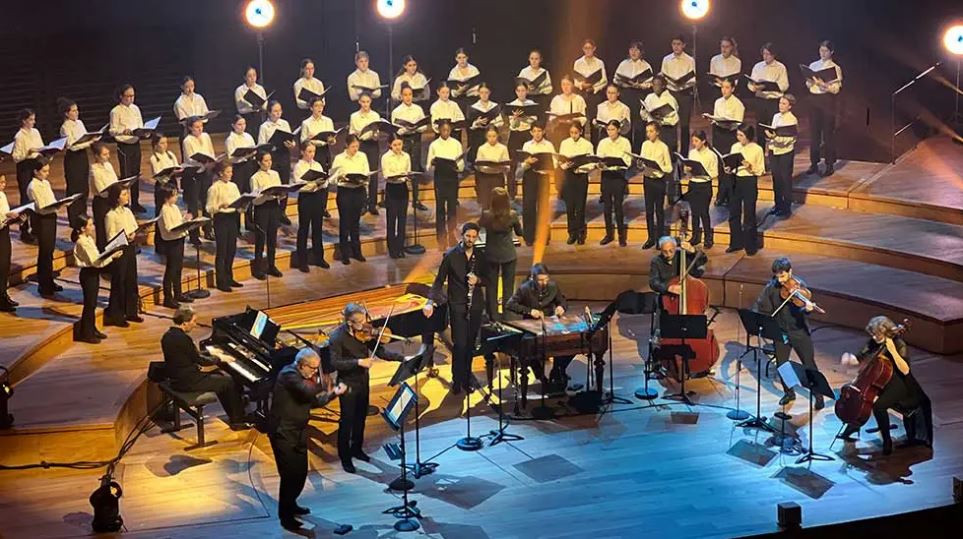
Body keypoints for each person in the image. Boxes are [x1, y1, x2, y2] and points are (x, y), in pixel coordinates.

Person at [268, 349, 346, 530]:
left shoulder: (303, 378)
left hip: (298, 431)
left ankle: (291, 504)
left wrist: (334, 392)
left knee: (301, 473)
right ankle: (285, 517)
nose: (314, 373)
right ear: (301, 364)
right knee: (289, 476)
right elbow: (306, 390)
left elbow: (315, 402)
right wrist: (323, 383)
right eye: (313, 369)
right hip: (283, 433)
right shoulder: (288, 374)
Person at [838, 316, 933, 455]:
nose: (874, 337)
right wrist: (849, 359)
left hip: (900, 382)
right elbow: (859, 357)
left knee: (878, 406)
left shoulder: (899, 343)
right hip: (879, 378)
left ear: (886, 332)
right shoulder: (874, 342)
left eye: (876, 334)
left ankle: (887, 441)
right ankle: (853, 426)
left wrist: (893, 351)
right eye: (872, 334)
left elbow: (905, 370)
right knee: (864, 398)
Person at [330, 303, 403, 473]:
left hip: (363, 381)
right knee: (346, 422)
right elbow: (335, 363)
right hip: (347, 384)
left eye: (364, 320)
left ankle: (357, 449)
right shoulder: (337, 337)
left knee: (361, 418)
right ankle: (345, 457)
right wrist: (358, 362)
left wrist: (401, 357)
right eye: (359, 322)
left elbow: (381, 352)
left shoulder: (364, 333)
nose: (364, 325)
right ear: (349, 322)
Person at [162, 305, 252, 429]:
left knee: (221, 375)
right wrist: (220, 358)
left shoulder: (168, 335)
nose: (195, 324)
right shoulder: (183, 339)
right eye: (193, 321)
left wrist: (212, 353)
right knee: (227, 381)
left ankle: (239, 405)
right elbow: (200, 361)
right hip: (188, 382)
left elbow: (190, 355)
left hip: (178, 378)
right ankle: (238, 420)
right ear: (184, 323)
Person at [424, 222, 487, 394]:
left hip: (475, 306)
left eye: (474, 237)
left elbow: (489, 279)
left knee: (470, 346)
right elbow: (438, 281)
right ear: (462, 235)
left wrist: (478, 281)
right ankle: (457, 379)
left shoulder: (480, 255)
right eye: (468, 236)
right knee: (459, 345)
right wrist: (430, 301)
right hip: (457, 305)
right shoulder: (451, 255)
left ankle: (467, 378)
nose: (471, 240)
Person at [752, 257, 822, 408]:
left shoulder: (799, 285)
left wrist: (807, 309)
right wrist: (759, 318)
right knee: (782, 364)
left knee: (809, 364)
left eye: (783, 276)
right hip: (780, 331)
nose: (781, 280)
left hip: (799, 331)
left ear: (790, 272)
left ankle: (818, 395)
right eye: (777, 276)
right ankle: (789, 393)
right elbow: (760, 306)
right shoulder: (771, 287)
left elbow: (803, 307)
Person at [506, 263, 575, 389]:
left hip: (550, 323)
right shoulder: (524, 289)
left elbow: (562, 301)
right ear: (533, 278)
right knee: (528, 348)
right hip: (530, 325)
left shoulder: (553, 286)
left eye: (546, 279)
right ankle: (540, 376)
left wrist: (561, 307)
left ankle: (558, 370)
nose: (544, 283)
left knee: (570, 342)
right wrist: (529, 311)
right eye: (540, 280)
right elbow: (510, 304)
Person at [71, 215, 121, 343]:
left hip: (93, 274)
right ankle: (86, 333)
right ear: (82, 228)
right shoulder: (82, 242)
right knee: (89, 304)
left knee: (92, 304)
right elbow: (95, 261)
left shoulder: (88, 238)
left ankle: (91, 328)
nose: (93, 227)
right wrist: (112, 256)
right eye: (90, 225)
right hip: (88, 274)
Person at [479, 187, 522, 320]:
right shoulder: (513, 215)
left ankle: (493, 316)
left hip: (491, 255)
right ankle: (507, 315)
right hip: (509, 255)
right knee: (508, 287)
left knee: (491, 287)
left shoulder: (486, 215)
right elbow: (520, 232)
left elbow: (480, 225)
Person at [103, 185, 143, 327]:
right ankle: (117, 315)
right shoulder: (110, 215)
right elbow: (110, 237)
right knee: (119, 281)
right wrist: (126, 237)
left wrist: (133, 234)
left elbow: (134, 226)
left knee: (132, 279)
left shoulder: (127, 211)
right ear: (117, 197)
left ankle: (131, 311)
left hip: (130, 248)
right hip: (119, 250)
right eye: (124, 194)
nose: (127, 196)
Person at [805, 40, 843, 177]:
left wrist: (824, 85)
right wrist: (810, 82)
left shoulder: (835, 67)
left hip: (827, 100)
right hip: (814, 100)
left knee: (828, 134)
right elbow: (808, 84)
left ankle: (829, 164)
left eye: (825, 51)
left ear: (831, 52)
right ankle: (814, 163)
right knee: (814, 134)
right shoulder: (813, 65)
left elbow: (836, 89)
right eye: (821, 50)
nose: (822, 53)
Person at [725, 124, 764, 255]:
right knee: (733, 213)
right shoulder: (735, 147)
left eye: (741, 135)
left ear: (748, 136)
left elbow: (760, 170)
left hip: (749, 181)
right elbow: (731, 162)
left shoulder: (757, 149)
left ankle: (750, 246)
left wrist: (750, 166)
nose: (738, 138)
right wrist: (728, 169)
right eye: (737, 135)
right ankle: (735, 243)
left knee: (749, 214)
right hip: (736, 180)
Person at [331, 135, 370, 265]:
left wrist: (363, 181)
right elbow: (332, 178)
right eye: (353, 146)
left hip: (358, 191)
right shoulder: (339, 158)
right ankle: (344, 253)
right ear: (347, 146)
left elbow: (366, 174)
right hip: (345, 192)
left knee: (355, 223)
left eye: (357, 146)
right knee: (345, 223)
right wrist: (341, 177)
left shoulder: (362, 156)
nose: (355, 149)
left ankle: (357, 251)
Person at [426, 119, 465, 248]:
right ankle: (441, 239)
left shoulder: (456, 144)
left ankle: (452, 236)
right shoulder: (434, 145)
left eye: (448, 130)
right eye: (443, 130)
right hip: (440, 178)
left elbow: (461, 164)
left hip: (452, 178)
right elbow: (428, 166)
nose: (446, 132)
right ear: (439, 131)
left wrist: (457, 166)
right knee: (440, 209)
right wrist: (432, 164)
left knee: (452, 209)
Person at [206, 162, 245, 291]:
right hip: (221, 219)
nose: (230, 174)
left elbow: (238, 201)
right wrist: (220, 206)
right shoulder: (214, 188)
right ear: (220, 173)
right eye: (228, 172)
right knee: (222, 251)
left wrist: (242, 206)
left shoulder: (233, 186)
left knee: (231, 249)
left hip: (232, 218)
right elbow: (209, 208)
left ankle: (229, 277)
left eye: (231, 172)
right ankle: (221, 281)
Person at [109, 84, 147, 213]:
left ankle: (135, 203)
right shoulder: (115, 111)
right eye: (128, 96)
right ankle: (125, 203)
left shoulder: (136, 109)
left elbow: (140, 125)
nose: (131, 98)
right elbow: (112, 131)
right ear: (121, 96)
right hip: (124, 146)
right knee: (126, 176)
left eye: (133, 96)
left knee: (136, 175)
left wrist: (143, 132)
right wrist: (122, 131)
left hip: (135, 144)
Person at [391, 84, 430, 211]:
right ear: (401, 96)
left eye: (410, 95)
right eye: (405, 95)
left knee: (415, 170)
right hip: (404, 141)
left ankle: (416, 199)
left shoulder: (418, 109)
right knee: (402, 169)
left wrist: (416, 127)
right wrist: (405, 129)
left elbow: (424, 126)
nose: (408, 97)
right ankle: (400, 198)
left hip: (416, 140)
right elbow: (395, 129)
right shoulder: (396, 111)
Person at [27, 160, 62, 298]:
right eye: (44, 171)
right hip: (42, 220)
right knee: (45, 252)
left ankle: (49, 281)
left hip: (51, 217)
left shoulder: (45, 183)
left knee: (50, 251)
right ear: (36, 171)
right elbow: (41, 207)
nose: (47, 174)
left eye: (48, 171)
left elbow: (51, 200)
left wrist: (58, 205)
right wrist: (55, 206)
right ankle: (44, 284)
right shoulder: (32, 186)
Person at [258, 100, 296, 226]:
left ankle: (282, 212)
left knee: (284, 184)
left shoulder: (284, 123)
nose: (277, 113)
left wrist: (291, 144)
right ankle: (273, 213)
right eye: (275, 111)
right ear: (269, 112)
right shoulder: (264, 127)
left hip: (284, 155)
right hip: (272, 157)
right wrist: (271, 146)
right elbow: (261, 145)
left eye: (279, 111)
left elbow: (292, 140)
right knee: (273, 184)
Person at [595, 120, 633, 246]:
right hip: (606, 176)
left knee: (618, 206)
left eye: (612, 129)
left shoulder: (625, 142)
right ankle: (609, 234)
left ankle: (621, 236)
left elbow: (628, 161)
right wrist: (600, 164)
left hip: (618, 176)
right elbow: (599, 159)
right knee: (606, 207)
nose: (610, 132)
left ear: (618, 130)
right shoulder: (603, 142)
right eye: (608, 130)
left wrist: (618, 164)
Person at [292, 142, 328, 271]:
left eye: (313, 151)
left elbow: (325, 182)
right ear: (302, 152)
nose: (312, 154)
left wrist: (321, 183)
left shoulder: (317, 165)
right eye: (309, 151)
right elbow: (300, 185)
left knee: (317, 228)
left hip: (317, 197)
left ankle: (319, 258)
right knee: (304, 229)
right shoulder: (299, 167)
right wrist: (313, 184)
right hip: (306, 199)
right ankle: (302, 261)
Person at [519, 122, 556, 246]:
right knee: (528, 206)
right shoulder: (527, 145)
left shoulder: (549, 145)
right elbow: (522, 165)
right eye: (534, 131)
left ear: (543, 132)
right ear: (531, 132)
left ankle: (543, 236)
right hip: (530, 176)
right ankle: (529, 236)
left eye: (539, 131)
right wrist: (527, 162)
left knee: (543, 207)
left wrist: (549, 166)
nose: (537, 134)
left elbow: (554, 162)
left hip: (543, 176)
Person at [638, 121, 674, 249]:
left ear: (657, 132)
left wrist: (660, 167)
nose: (649, 134)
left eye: (651, 131)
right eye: (647, 131)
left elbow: (669, 167)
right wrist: (641, 165)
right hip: (647, 180)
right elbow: (642, 162)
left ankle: (660, 239)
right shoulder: (645, 145)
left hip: (659, 181)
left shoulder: (663, 147)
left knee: (659, 211)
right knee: (648, 211)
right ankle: (650, 238)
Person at [59, 98, 95, 224]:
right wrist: (89, 142)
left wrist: (90, 140)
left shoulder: (79, 123)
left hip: (83, 157)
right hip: (73, 159)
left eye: (77, 110)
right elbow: (71, 146)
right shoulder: (65, 127)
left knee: (84, 187)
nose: (76, 113)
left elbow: (85, 136)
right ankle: (74, 218)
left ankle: (83, 213)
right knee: (74, 188)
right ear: (66, 113)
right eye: (73, 111)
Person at [710, 78, 745, 206]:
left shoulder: (738, 104)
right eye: (722, 87)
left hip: (730, 137)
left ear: (733, 89)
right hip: (719, 135)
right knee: (720, 167)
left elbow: (738, 123)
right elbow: (716, 118)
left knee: (729, 168)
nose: (724, 90)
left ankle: (731, 196)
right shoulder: (718, 102)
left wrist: (728, 124)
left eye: (727, 87)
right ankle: (720, 195)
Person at [557, 123, 594, 244]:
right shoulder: (565, 143)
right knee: (570, 206)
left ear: (581, 132)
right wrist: (565, 165)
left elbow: (591, 163)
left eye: (576, 133)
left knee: (580, 206)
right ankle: (571, 233)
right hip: (569, 176)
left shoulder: (587, 144)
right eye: (571, 133)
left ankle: (580, 233)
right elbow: (561, 160)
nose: (573, 135)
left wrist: (581, 168)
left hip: (581, 176)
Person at [250, 150, 284, 279]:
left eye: (270, 160)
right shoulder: (255, 178)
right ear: (259, 162)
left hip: (274, 207)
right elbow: (254, 200)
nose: (268, 163)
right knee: (260, 239)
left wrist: (281, 194)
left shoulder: (275, 174)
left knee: (272, 238)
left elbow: (280, 189)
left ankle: (271, 265)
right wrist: (265, 196)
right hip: (262, 209)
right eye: (265, 161)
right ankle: (257, 268)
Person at [614, 41, 654, 151]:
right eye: (632, 49)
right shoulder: (623, 64)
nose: (634, 52)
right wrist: (625, 83)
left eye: (636, 50)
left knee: (639, 125)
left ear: (641, 52)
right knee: (626, 124)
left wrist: (640, 85)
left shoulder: (646, 66)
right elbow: (616, 79)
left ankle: (637, 153)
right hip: (626, 95)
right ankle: (625, 151)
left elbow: (650, 83)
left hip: (639, 95)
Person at [661, 35, 696, 154]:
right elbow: (663, 76)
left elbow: (692, 79)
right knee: (671, 122)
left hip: (685, 94)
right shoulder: (666, 59)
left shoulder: (689, 60)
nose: (676, 46)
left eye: (678, 44)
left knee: (685, 125)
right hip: (671, 93)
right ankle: (672, 152)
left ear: (684, 45)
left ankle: (684, 153)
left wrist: (682, 84)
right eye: (674, 44)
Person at [11, 108, 43, 242]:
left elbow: (41, 146)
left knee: (36, 197)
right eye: (30, 119)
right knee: (26, 200)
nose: (33, 122)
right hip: (24, 168)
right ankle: (24, 232)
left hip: (35, 165)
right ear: (24, 121)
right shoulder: (19, 136)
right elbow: (16, 157)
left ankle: (36, 229)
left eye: (34, 119)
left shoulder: (35, 132)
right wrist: (28, 153)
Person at [349, 93, 384, 215]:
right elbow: (351, 133)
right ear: (359, 102)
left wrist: (375, 134)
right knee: (362, 174)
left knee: (373, 174)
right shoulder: (354, 116)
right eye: (363, 102)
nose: (365, 104)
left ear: (371, 102)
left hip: (373, 145)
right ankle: (362, 203)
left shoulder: (375, 115)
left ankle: (372, 204)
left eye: (367, 102)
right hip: (360, 145)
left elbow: (377, 134)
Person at [182, 117, 215, 244]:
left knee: (207, 202)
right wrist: (203, 162)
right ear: (190, 128)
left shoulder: (206, 136)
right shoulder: (187, 140)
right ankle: (194, 235)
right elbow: (190, 159)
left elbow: (211, 151)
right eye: (196, 127)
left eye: (201, 126)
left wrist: (210, 162)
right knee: (193, 204)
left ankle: (208, 230)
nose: (200, 129)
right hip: (193, 173)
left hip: (206, 172)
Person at [748, 43, 789, 146]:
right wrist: (754, 87)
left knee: (773, 126)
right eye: (764, 54)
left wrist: (769, 86)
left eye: (768, 54)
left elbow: (784, 85)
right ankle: (760, 151)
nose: (765, 56)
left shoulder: (780, 67)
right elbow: (751, 83)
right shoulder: (758, 66)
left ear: (773, 55)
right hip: (760, 100)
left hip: (773, 101)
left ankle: (773, 150)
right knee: (760, 127)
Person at [156, 186, 190, 308]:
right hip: (171, 242)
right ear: (167, 197)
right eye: (174, 195)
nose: (176, 197)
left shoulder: (174, 207)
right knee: (171, 269)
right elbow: (169, 228)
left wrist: (185, 220)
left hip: (179, 239)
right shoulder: (164, 210)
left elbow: (178, 222)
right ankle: (168, 298)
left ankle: (178, 293)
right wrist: (181, 224)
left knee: (178, 268)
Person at [765, 94, 799, 218]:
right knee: (776, 179)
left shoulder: (792, 119)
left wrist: (775, 137)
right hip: (774, 150)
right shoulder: (776, 116)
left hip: (785, 152)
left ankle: (786, 207)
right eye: (780, 103)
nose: (781, 105)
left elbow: (791, 139)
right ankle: (778, 204)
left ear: (790, 106)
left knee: (785, 180)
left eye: (784, 103)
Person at [683, 131, 718, 248]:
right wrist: (687, 169)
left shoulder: (711, 155)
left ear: (703, 141)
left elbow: (715, 173)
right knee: (694, 212)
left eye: (696, 141)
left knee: (704, 212)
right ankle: (695, 236)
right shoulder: (692, 153)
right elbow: (687, 169)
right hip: (693, 184)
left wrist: (704, 173)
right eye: (693, 141)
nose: (694, 144)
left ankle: (708, 238)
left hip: (704, 186)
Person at [381, 135, 412, 259]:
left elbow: (408, 172)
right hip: (392, 189)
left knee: (402, 220)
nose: (398, 147)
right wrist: (398, 176)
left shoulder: (406, 156)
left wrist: (406, 177)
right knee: (391, 220)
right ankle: (392, 249)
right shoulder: (386, 157)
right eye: (395, 145)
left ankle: (400, 247)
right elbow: (386, 174)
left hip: (403, 189)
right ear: (390, 145)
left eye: (399, 144)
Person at [506, 81, 538, 199]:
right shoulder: (512, 105)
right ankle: (511, 193)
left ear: (527, 91)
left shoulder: (531, 104)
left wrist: (526, 117)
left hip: (527, 135)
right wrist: (515, 118)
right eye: (518, 91)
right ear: (516, 92)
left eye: (523, 90)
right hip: (515, 135)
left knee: (529, 162)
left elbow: (534, 121)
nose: (521, 93)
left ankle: (530, 192)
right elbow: (512, 126)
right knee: (512, 164)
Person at [224, 115, 257, 231]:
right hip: (238, 169)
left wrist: (251, 153)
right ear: (233, 125)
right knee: (238, 196)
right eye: (239, 124)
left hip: (249, 166)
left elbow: (254, 149)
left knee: (249, 194)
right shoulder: (230, 139)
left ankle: (249, 222)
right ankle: (236, 226)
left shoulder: (248, 136)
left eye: (244, 124)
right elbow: (230, 157)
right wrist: (243, 155)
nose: (242, 127)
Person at [574, 39, 608, 140]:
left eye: (590, 48)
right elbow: (575, 79)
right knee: (582, 119)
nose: (588, 50)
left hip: (594, 94)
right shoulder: (578, 62)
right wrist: (581, 85)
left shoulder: (599, 63)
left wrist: (594, 87)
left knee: (594, 121)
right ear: (582, 49)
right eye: (585, 48)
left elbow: (604, 80)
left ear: (594, 49)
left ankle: (594, 146)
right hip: (582, 93)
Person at [89, 141, 118, 250]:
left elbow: (115, 180)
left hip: (112, 199)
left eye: (108, 154)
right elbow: (101, 190)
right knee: (102, 232)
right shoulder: (94, 169)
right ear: (97, 156)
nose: (108, 157)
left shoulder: (108, 165)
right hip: (101, 203)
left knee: (113, 228)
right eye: (104, 155)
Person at [641, 75, 680, 154]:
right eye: (654, 85)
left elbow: (674, 119)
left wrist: (662, 120)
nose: (655, 87)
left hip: (665, 130)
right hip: (652, 129)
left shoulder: (670, 99)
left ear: (663, 86)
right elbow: (643, 115)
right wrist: (645, 111)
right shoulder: (649, 97)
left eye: (658, 85)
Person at [473, 126, 510, 210]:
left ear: (498, 135)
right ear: (486, 136)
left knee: (498, 203)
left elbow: (508, 166)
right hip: (485, 178)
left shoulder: (503, 148)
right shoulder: (481, 148)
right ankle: (485, 222)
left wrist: (501, 166)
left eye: (494, 136)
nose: (492, 139)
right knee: (486, 203)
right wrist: (484, 166)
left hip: (498, 177)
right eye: (489, 136)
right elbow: (478, 165)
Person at [466, 83, 502, 167]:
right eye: (482, 92)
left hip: (492, 133)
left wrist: (492, 124)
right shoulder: (473, 107)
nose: (484, 95)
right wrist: (476, 123)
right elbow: (470, 125)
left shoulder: (494, 106)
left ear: (489, 93)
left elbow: (501, 122)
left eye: (486, 92)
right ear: (478, 93)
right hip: (479, 134)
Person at [548, 75, 587, 148]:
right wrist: (558, 120)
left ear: (572, 85)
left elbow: (583, 118)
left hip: (575, 129)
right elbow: (551, 118)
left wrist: (575, 120)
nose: (565, 87)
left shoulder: (579, 99)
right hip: (560, 130)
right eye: (563, 84)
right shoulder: (556, 99)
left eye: (568, 84)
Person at [300, 96, 336, 171]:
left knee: (326, 173)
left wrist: (332, 140)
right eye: (316, 106)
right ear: (311, 108)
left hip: (325, 150)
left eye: (321, 106)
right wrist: (308, 138)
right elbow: (302, 141)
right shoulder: (306, 123)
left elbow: (333, 140)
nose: (319, 108)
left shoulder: (328, 121)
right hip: (313, 151)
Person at [149, 135, 180, 217]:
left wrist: (178, 171)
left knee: (172, 205)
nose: (165, 145)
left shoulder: (170, 154)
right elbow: (156, 174)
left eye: (166, 142)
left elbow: (176, 166)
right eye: (162, 143)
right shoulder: (154, 158)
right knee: (161, 208)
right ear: (155, 145)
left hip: (172, 182)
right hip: (162, 185)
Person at [0, 175, 18, 312]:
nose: (3, 184)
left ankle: (4, 295)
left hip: (4, 233)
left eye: (4, 181)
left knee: (5, 264)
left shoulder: (2, 196)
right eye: (1, 182)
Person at [448, 47, 481, 120]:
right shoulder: (453, 72)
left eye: (464, 57)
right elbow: (453, 93)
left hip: (472, 99)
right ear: (456, 59)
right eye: (459, 58)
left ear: (467, 58)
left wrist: (466, 89)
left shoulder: (473, 70)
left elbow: (477, 89)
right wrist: (459, 91)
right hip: (459, 100)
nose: (462, 60)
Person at [234, 66, 267, 138]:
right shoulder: (240, 90)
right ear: (245, 77)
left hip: (258, 117)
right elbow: (240, 109)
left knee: (259, 138)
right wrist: (251, 108)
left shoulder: (260, 88)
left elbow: (265, 105)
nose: (252, 78)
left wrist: (261, 106)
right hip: (246, 118)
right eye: (249, 76)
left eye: (254, 75)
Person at [518, 49, 553, 115]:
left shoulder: (544, 72)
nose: (534, 61)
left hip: (540, 100)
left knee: (539, 120)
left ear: (540, 60)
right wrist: (526, 88)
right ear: (529, 59)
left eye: (536, 59)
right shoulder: (524, 71)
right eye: (532, 58)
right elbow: (518, 86)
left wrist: (539, 89)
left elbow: (549, 89)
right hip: (527, 98)